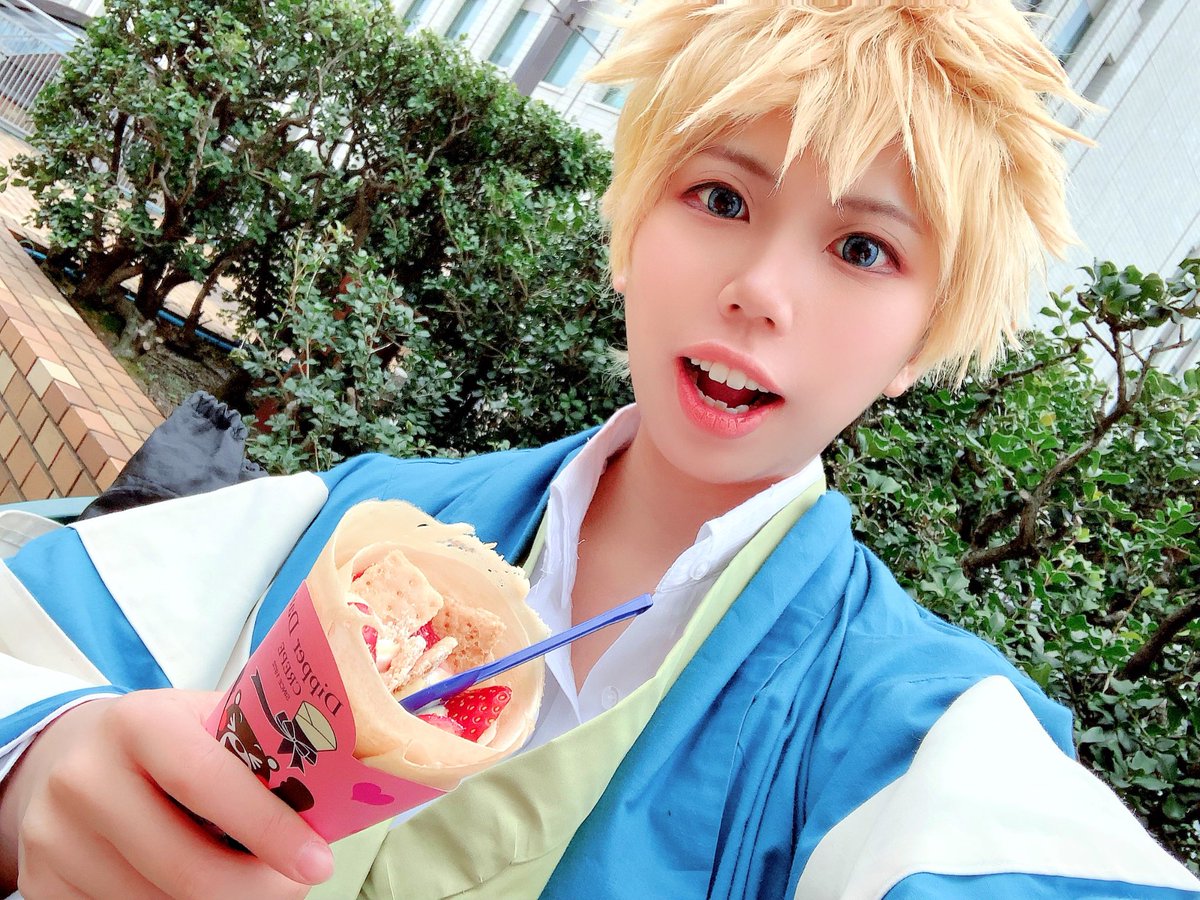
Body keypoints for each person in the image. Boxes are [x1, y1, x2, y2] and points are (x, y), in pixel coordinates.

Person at [2, 1, 1198, 897]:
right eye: (721, 198)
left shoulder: (907, 731)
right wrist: (40, 770)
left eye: (863, 250)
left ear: (918, 344)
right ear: (631, 227)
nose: (761, 290)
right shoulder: (345, 525)